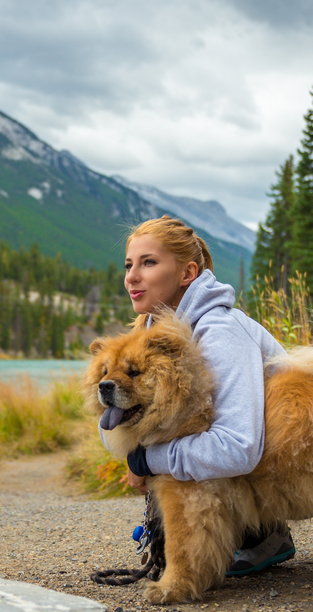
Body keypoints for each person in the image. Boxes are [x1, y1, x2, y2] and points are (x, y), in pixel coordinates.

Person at [113, 214, 295, 575]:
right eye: (129, 264)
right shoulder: (151, 332)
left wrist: (149, 461)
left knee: (176, 449)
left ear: (187, 273)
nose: (132, 276)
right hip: (248, 458)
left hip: (285, 464)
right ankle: (236, 535)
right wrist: (137, 452)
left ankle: (259, 535)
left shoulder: (220, 331)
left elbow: (239, 446)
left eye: (148, 263)